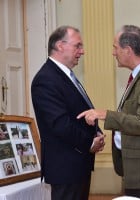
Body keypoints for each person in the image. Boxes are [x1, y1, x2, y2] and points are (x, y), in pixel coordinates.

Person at [77, 25, 140, 200]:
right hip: (139, 166)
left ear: (128, 50)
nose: (113, 53)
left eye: (115, 47)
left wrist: (106, 115)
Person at [31, 25, 105, 200]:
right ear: (59, 45)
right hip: (65, 168)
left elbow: (81, 112)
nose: (82, 51)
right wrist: (90, 142)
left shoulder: (65, 75)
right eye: (77, 46)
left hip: (78, 165)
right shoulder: (46, 79)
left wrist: (97, 133)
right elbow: (60, 124)